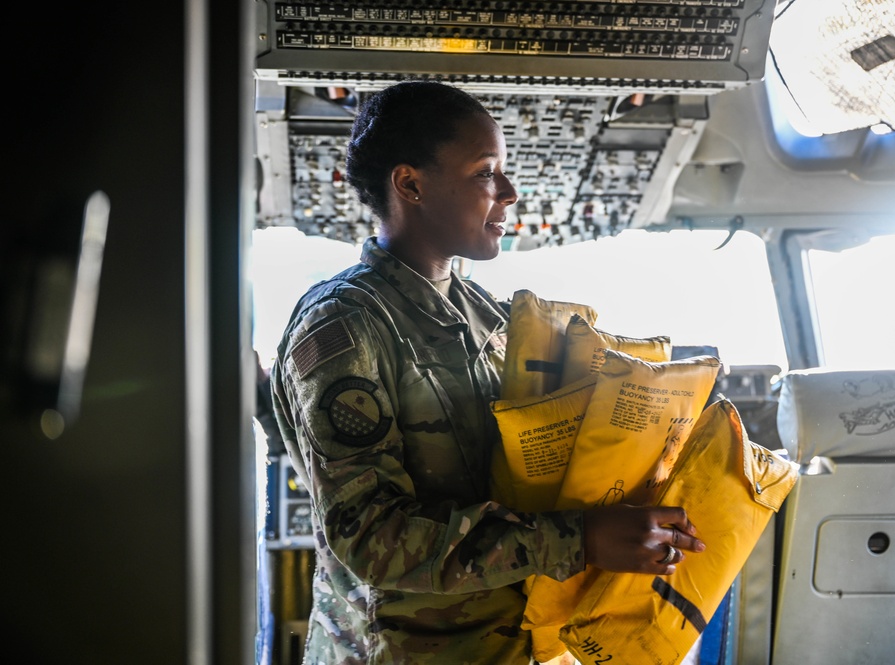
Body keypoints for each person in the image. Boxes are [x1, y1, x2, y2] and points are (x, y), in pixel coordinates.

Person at [270, 80, 705, 664]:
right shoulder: (345, 326)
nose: (511, 192)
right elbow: (371, 538)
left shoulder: (491, 318)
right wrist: (582, 539)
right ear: (410, 183)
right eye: (485, 172)